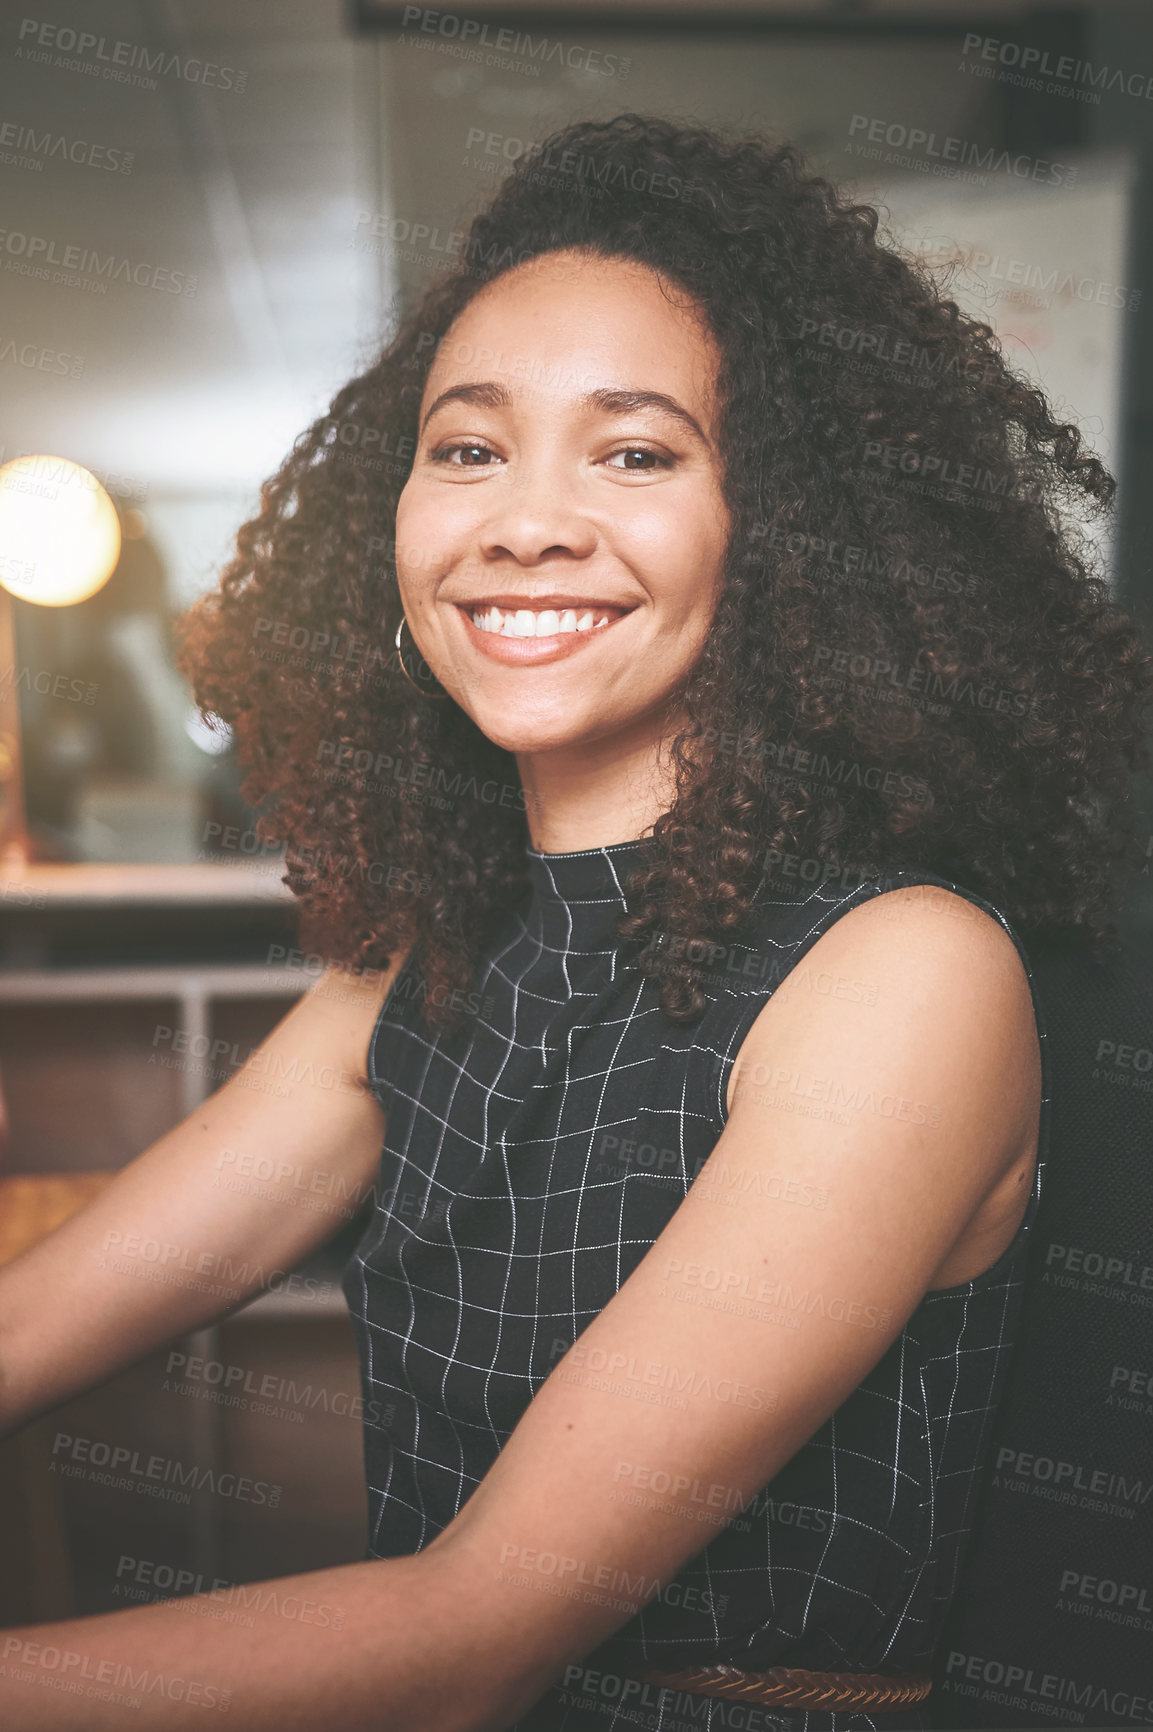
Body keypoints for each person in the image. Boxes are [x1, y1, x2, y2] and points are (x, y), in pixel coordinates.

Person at [1, 113, 1151, 1732]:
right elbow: (35, 1322)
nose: (521, 520)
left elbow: (471, 1640)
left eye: (635, 451)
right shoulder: (430, 951)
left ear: (785, 540)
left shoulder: (898, 978)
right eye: (467, 447)